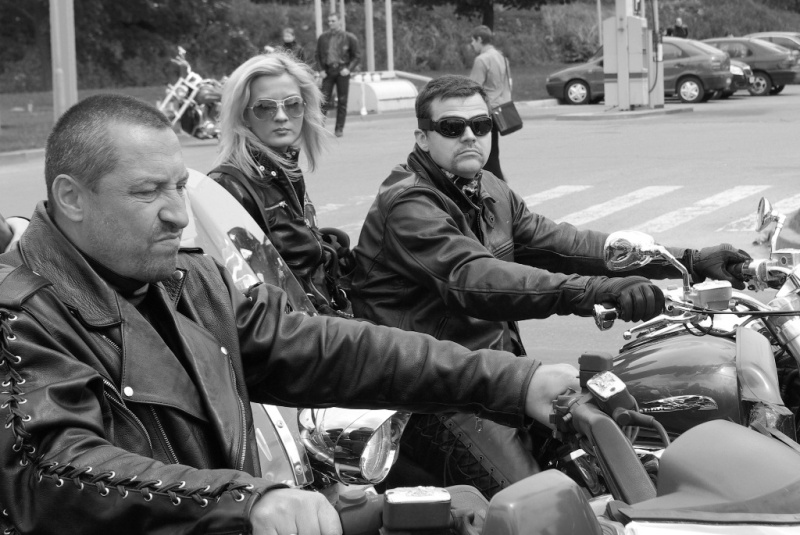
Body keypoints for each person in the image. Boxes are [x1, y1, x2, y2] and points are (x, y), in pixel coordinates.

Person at [0, 93, 579, 535]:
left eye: (179, 187)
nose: (179, 214)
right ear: (72, 197)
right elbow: (52, 470)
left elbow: (330, 348)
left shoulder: (190, 281)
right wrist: (245, 502)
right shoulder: (19, 315)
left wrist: (516, 380)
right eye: (149, 192)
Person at [348, 74, 751, 497]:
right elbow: (477, 281)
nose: (469, 136)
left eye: (480, 125)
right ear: (423, 138)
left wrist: (689, 260)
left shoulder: (488, 189)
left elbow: (566, 244)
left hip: (495, 374)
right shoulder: (409, 203)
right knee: (540, 504)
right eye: (451, 127)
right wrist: (597, 291)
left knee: (603, 462)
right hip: (435, 391)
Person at [209, 51, 351, 316]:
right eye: (265, 107)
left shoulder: (286, 169)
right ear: (242, 115)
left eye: (293, 104)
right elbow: (245, 300)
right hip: (297, 331)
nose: (282, 116)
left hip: (321, 317)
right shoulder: (229, 187)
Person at [469, 25, 510, 181]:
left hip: (485, 111)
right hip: (499, 109)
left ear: (479, 39)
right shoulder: (502, 57)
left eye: (473, 40)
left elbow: (473, 87)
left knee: (484, 154)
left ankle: (498, 185)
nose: (472, 44)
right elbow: (507, 85)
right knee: (493, 152)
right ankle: (498, 183)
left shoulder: (482, 59)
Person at [315, 12, 360, 137]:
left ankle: (339, 128)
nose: (330, 23)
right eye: (329, 21)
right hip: (328, 71)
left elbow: (357, 56)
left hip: (342, 71)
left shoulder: (349, 37)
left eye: (333, 21)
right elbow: (317, 55)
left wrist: (349, 69)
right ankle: (319, 128)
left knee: (342, 100)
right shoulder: (323, 37)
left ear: (339, 21)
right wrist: (321, 70)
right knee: (323, 100)